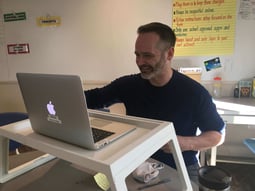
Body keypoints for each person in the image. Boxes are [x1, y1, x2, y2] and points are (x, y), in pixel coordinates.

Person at [84, 22, 225, 183]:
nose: (140, 62)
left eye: (148, 55)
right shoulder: (127, 85)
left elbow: (217, 136)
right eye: (137, 55)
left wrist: (184, 142)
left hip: (181, 166)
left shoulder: (194, 93)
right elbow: (94, 99)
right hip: (137, 163)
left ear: (169, 54)